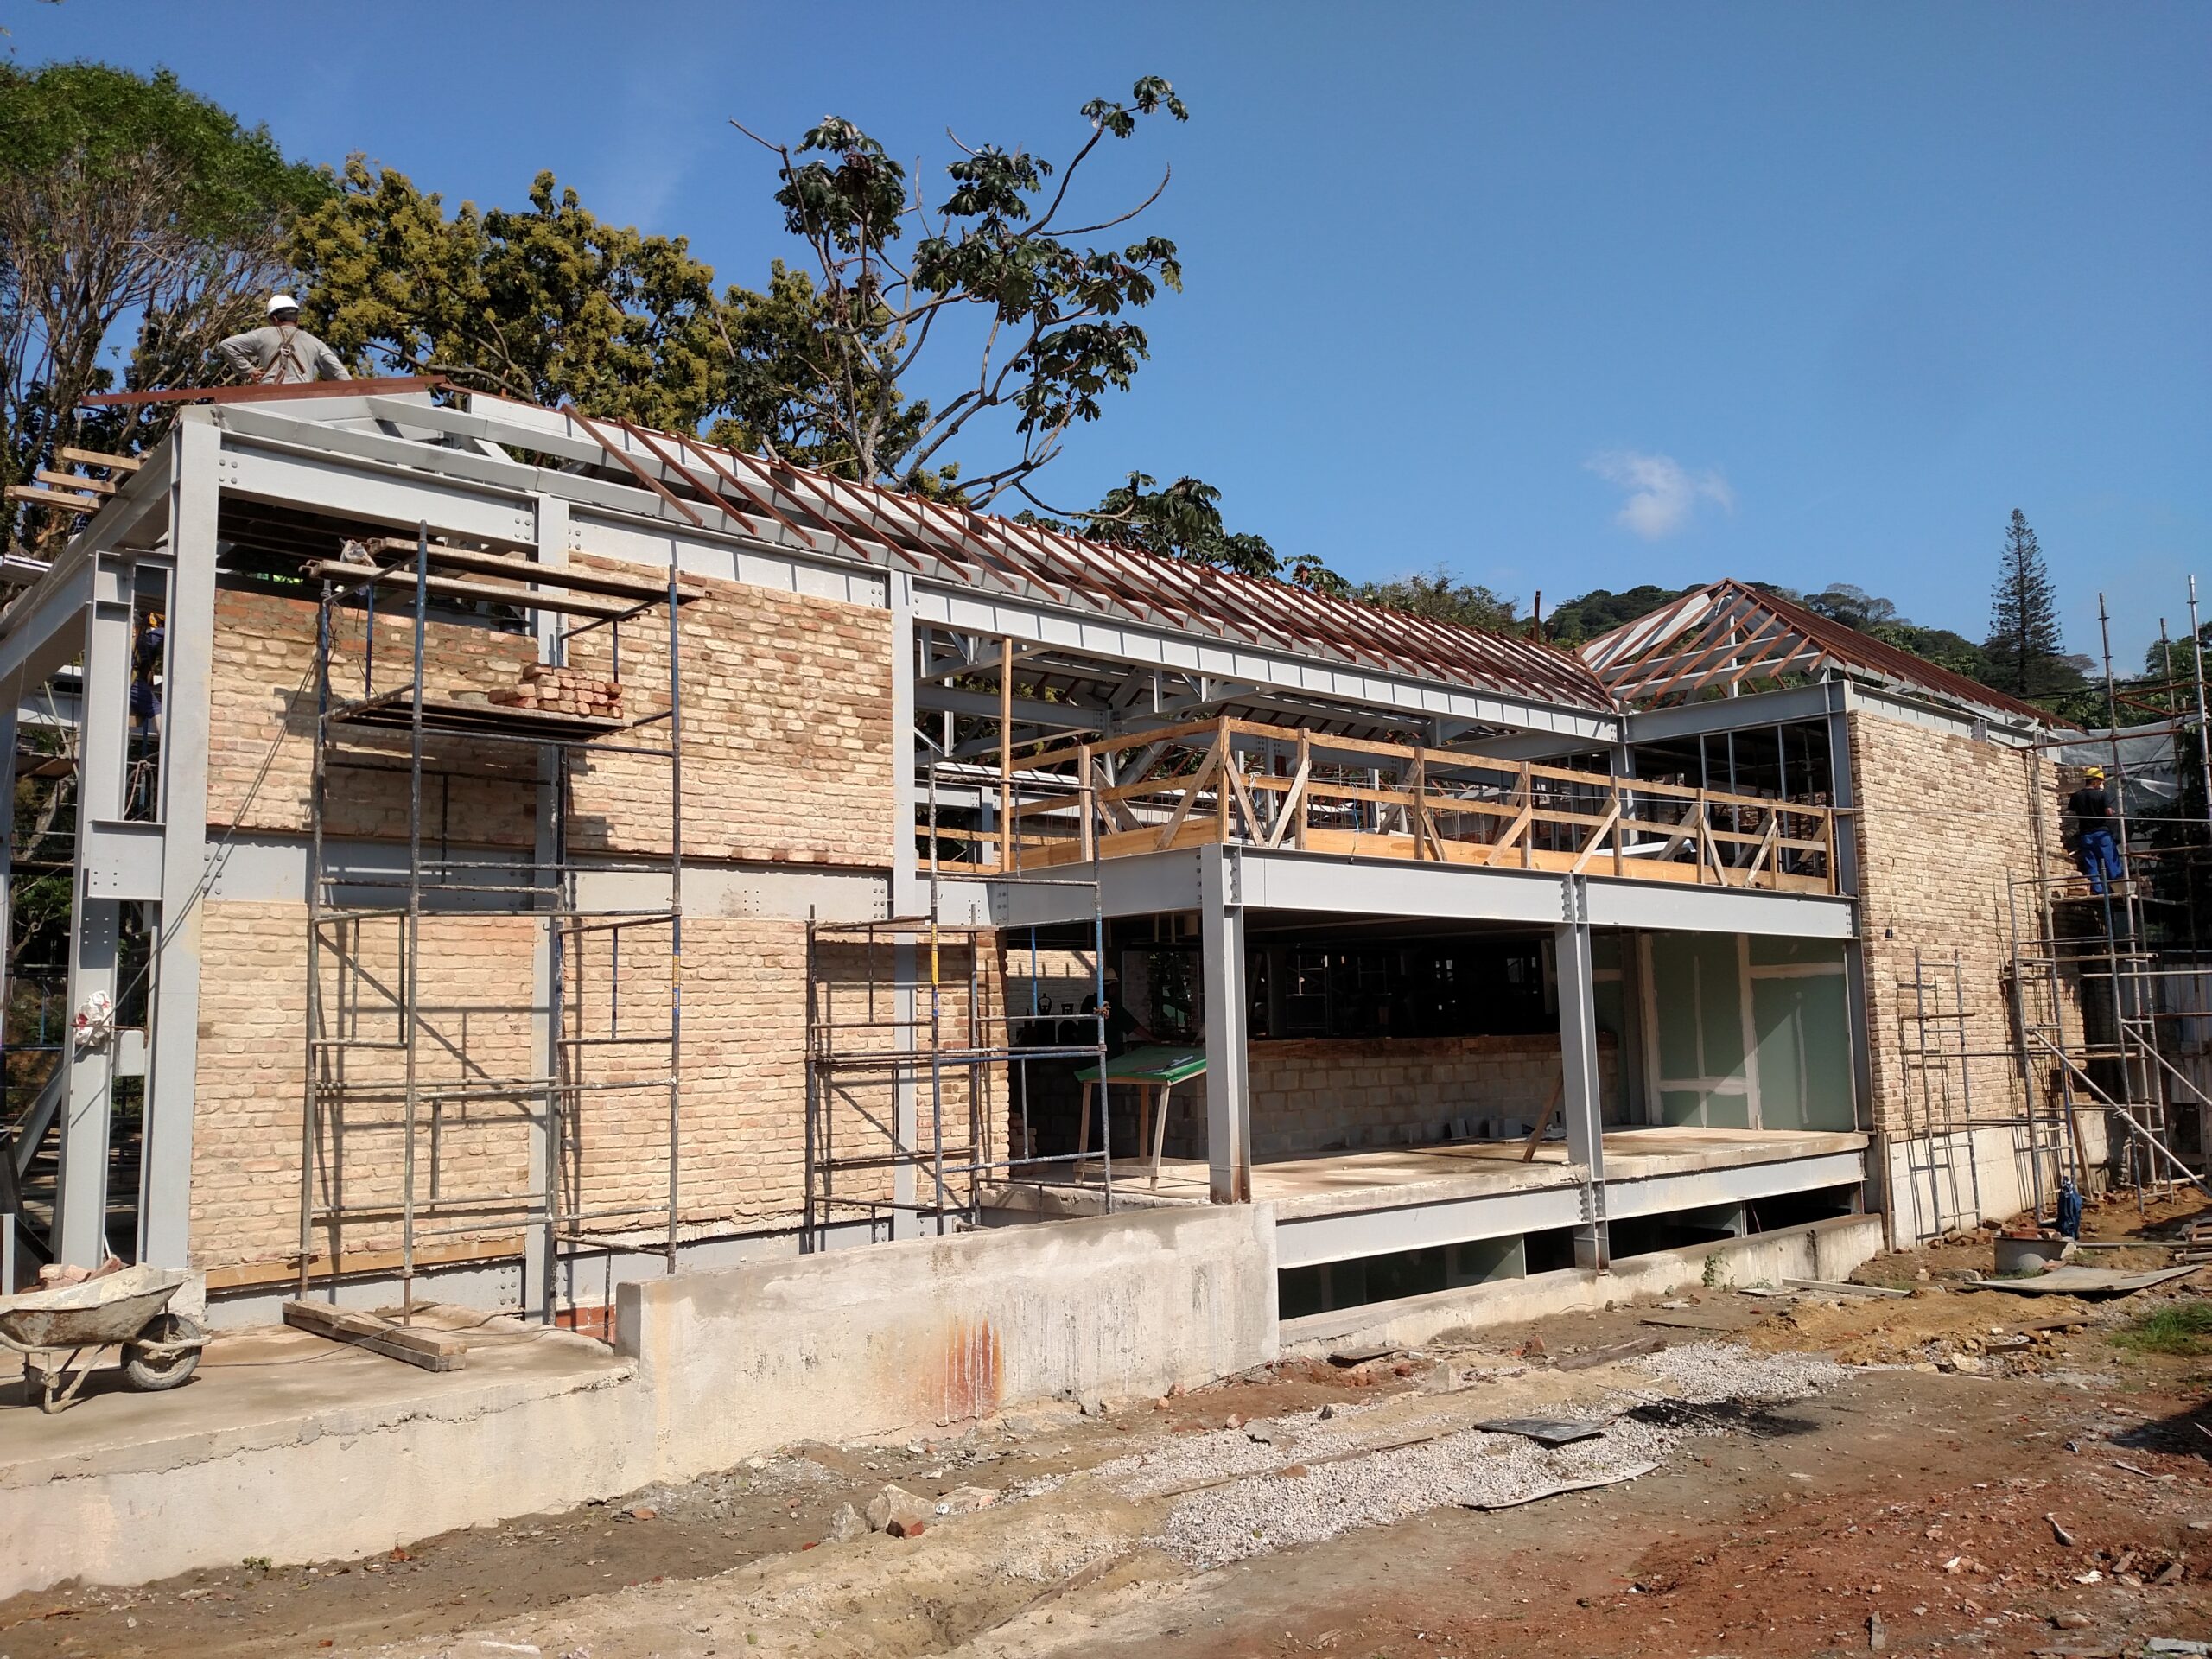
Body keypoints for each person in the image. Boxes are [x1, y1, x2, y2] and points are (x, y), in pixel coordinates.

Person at [217, 295, 350, 385]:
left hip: (268, 396)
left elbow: (227, 345)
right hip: (303, 396)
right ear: (297, 319)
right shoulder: (314, 342)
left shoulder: (262, 335)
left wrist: (249, 371)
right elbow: (338, 371)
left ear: (274, 319)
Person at [2065, 765, 2124, 896]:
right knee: (2110, 861)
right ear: (2095, 781)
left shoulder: (2076, 796)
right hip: (2101, 834)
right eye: (2100, 782)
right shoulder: (2102, 795)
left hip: (2086, 835)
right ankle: (2118, 888)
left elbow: (2072, 809)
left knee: (2091, 863)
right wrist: (2112, 812)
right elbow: (2108, 812)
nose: (2101, 785)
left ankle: (2098, 890)